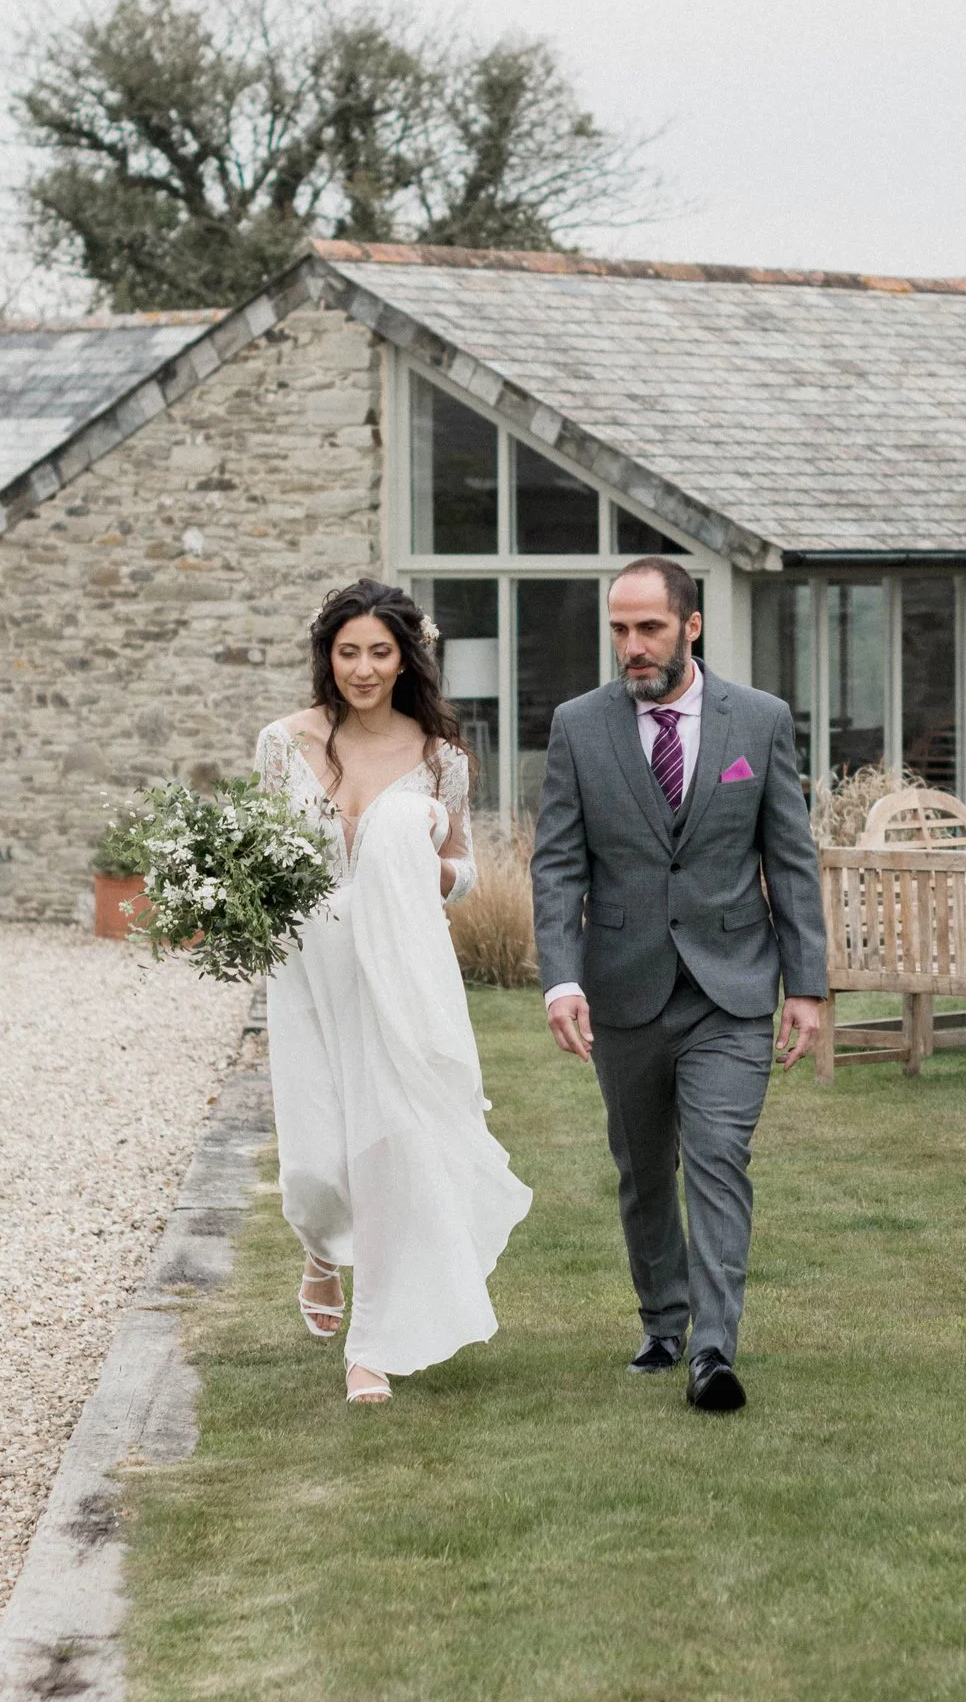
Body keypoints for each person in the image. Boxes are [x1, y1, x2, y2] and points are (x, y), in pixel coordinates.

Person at [530, 557, 829, 1412]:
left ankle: (712, 1351)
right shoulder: (579, 727)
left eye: (649, 628)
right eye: (619, 630)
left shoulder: (760, 722)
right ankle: (663, 1323)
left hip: (732, 986)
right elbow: (556, 868)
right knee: (643, 1170)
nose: (632, 646)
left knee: (719, 1160)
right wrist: (561, 980)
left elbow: (791, 858)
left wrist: (805, 984)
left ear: (691, 626)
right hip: (621, 986)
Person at [257, 579, 531, 1404]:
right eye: (349, 652)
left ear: (406, 656)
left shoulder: (439, 754)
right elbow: (263, 853)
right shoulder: (282, 743)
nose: (364, 669)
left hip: (400, 972)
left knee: (387, 1154)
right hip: (308, 969)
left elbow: (464, 869)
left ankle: (371, 1346)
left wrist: (405, 851)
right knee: (313, 1164)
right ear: (327, 656)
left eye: (380, 651)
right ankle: (317, 1249)